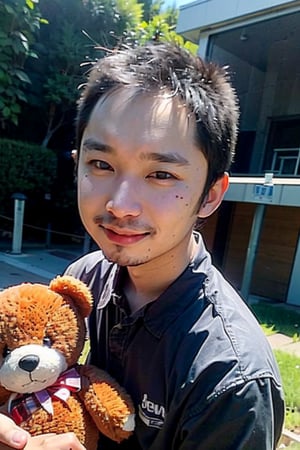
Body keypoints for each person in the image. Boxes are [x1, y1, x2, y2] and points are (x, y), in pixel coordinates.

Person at [0, 42, 284, 449]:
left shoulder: (230, 380)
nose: (120, 205)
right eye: (101, 165)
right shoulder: (86, 280)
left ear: (211, 194)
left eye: (162, 174)